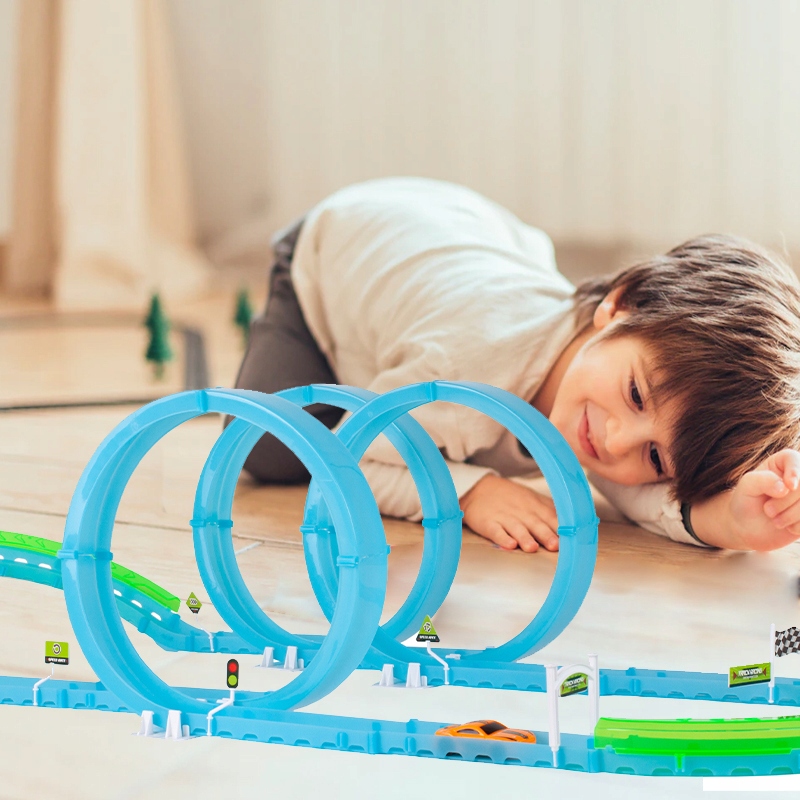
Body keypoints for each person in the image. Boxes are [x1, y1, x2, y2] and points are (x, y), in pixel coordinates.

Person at [231, 177, 800, 553]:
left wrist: (734, 521)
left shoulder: (609, 397)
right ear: (620, 305)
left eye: (655, 457)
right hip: (335, 247)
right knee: (270, 449)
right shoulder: (466, 367)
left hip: (461, 244)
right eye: (635, 395)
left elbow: (651, 502)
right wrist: (469, 492)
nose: (616, 441)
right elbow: (347, 458)